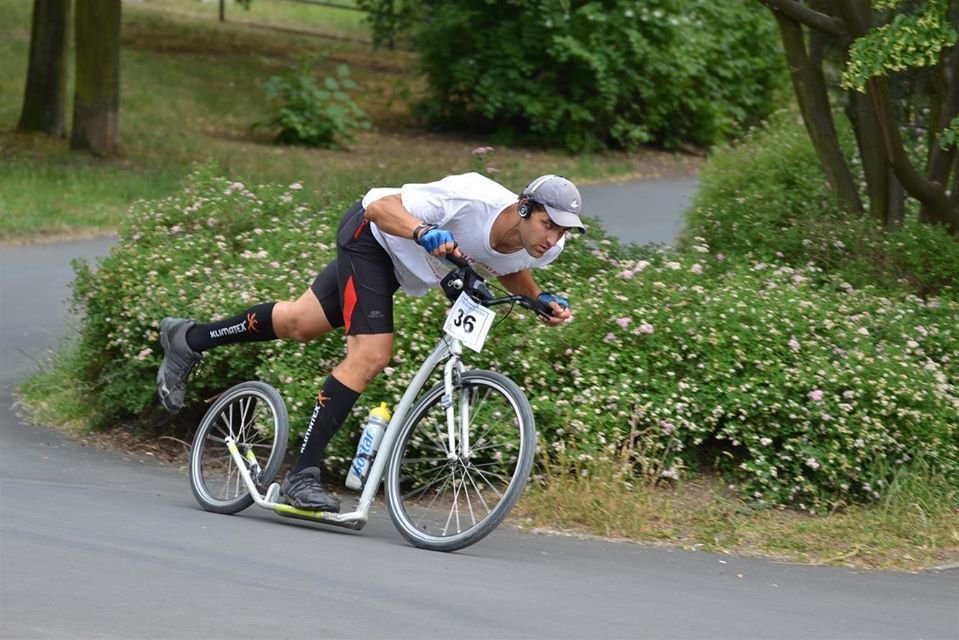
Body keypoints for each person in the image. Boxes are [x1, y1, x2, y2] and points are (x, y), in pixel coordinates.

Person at [156, 172, 585, 512]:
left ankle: (188, 338)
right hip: (372, 236)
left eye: (563, 232)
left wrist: (538, 298)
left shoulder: (543, 249)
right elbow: (381, 207)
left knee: (298, 323)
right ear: (524, 208)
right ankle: (301, 476)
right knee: (372, 353)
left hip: (400, 268)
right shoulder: (472, 197)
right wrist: (421, 232)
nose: (553, 238)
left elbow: (505, 262)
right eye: (549, 225)